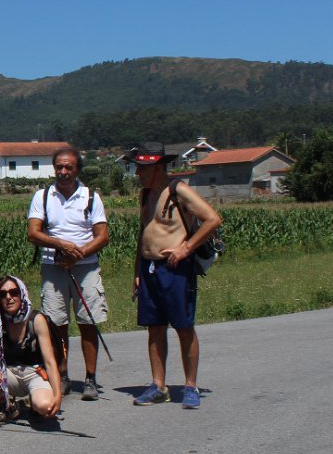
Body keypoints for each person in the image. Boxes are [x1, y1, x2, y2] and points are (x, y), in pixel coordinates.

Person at [125, 143, 222, 410]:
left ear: (156, 168)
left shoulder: (179, 190)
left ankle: (191, 386)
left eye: (142, 168)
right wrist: (137, 271)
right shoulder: (146, 195)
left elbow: (213, 219)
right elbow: (143, 231)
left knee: (183, 326)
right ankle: (159, 385)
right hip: (149, 268)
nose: (137, 173)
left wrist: (186, 248)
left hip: (175, 269)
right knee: (154, 328)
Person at [27, 147, 110, 400]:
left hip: (85, 268)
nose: (63, 172)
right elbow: (33, 233)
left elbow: (103, 236)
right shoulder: (43, 196)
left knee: (88, 323)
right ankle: (61, 375)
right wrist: (61, 246)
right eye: (59, 167)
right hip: (54, 267)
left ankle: (90, 379)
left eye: (69, 168)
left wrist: (79, 254)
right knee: (56, 325)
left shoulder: (91, 197)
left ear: (77, 170)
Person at [0, 275, 62, 421]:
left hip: (34, 373)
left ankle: (35, 402)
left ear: (22, 293)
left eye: (14, 292)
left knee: (45, 406)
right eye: (3, 294)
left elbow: (50, 362)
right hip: (7, 373)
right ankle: (6, 405)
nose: (8, 297)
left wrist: (58, 395)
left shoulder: (36, 319)